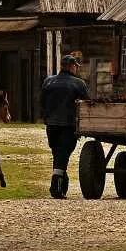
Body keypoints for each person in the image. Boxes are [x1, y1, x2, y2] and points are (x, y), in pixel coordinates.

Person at [40, 53, 89, 198]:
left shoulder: (48, 81)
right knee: (62, 155)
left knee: (58, 154)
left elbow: (42, 102)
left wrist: (48, 116)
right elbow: (87, 103)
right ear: (71, 66)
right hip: (68, 125)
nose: (76, 69)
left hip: (51, 125)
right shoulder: (78, 83)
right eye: (75, 66)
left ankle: (61, 183)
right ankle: (56, 186)